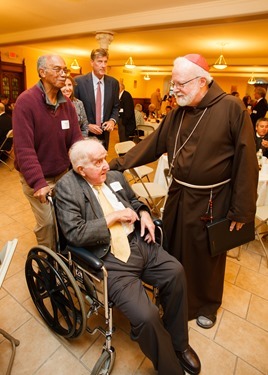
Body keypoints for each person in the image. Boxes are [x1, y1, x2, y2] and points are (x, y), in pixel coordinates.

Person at [109, 53, 258, 329]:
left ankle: (206, 304)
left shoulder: (232, 108)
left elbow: (247, 161)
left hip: (213, 199)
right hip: (179, 194)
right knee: (173, 247)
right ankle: (172, 296)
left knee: (206, 256)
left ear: (202, 82)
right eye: (173, 84)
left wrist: (243, 209)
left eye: (179, 84)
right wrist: (115, 165)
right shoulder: (177, 113)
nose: (173, 90)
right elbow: (151, 146)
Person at [55, 138, 201, 375]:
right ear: (81, 169)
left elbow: (134, 201)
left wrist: (143, 212)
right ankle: (170, 369)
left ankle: (179, 344)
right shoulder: (67, 188)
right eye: (98, 162)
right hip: (109, 257)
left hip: (140, 243)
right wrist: (112, 217)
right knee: (146, 315)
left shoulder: (114, 176)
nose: (106, 165)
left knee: (176, 273)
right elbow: (74, 233)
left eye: (105, 158)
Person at [12, 54, 83, 250]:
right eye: (57, 69)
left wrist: (87, 162)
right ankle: (47, 266)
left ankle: (63, 258)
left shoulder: (66, 104)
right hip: (36, 176)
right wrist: (38, 182)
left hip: (61, 174)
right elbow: (24, 149)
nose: (63, 74)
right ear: (42, 73)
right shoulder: (26, 102)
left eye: (65, 70)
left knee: (67, 217)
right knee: (48, 223)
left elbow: (76, 140)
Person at [74, 48, 120, 150]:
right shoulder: (79, 82)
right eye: (100, 61)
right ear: (92, 62)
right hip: (84, 134)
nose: (103, 65)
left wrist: (112, 121)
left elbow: (116, 107)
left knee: (101, 162)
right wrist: (87, 125)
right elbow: (73, 110)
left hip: (104, 134)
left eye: (105, 62)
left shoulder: (113, 83)